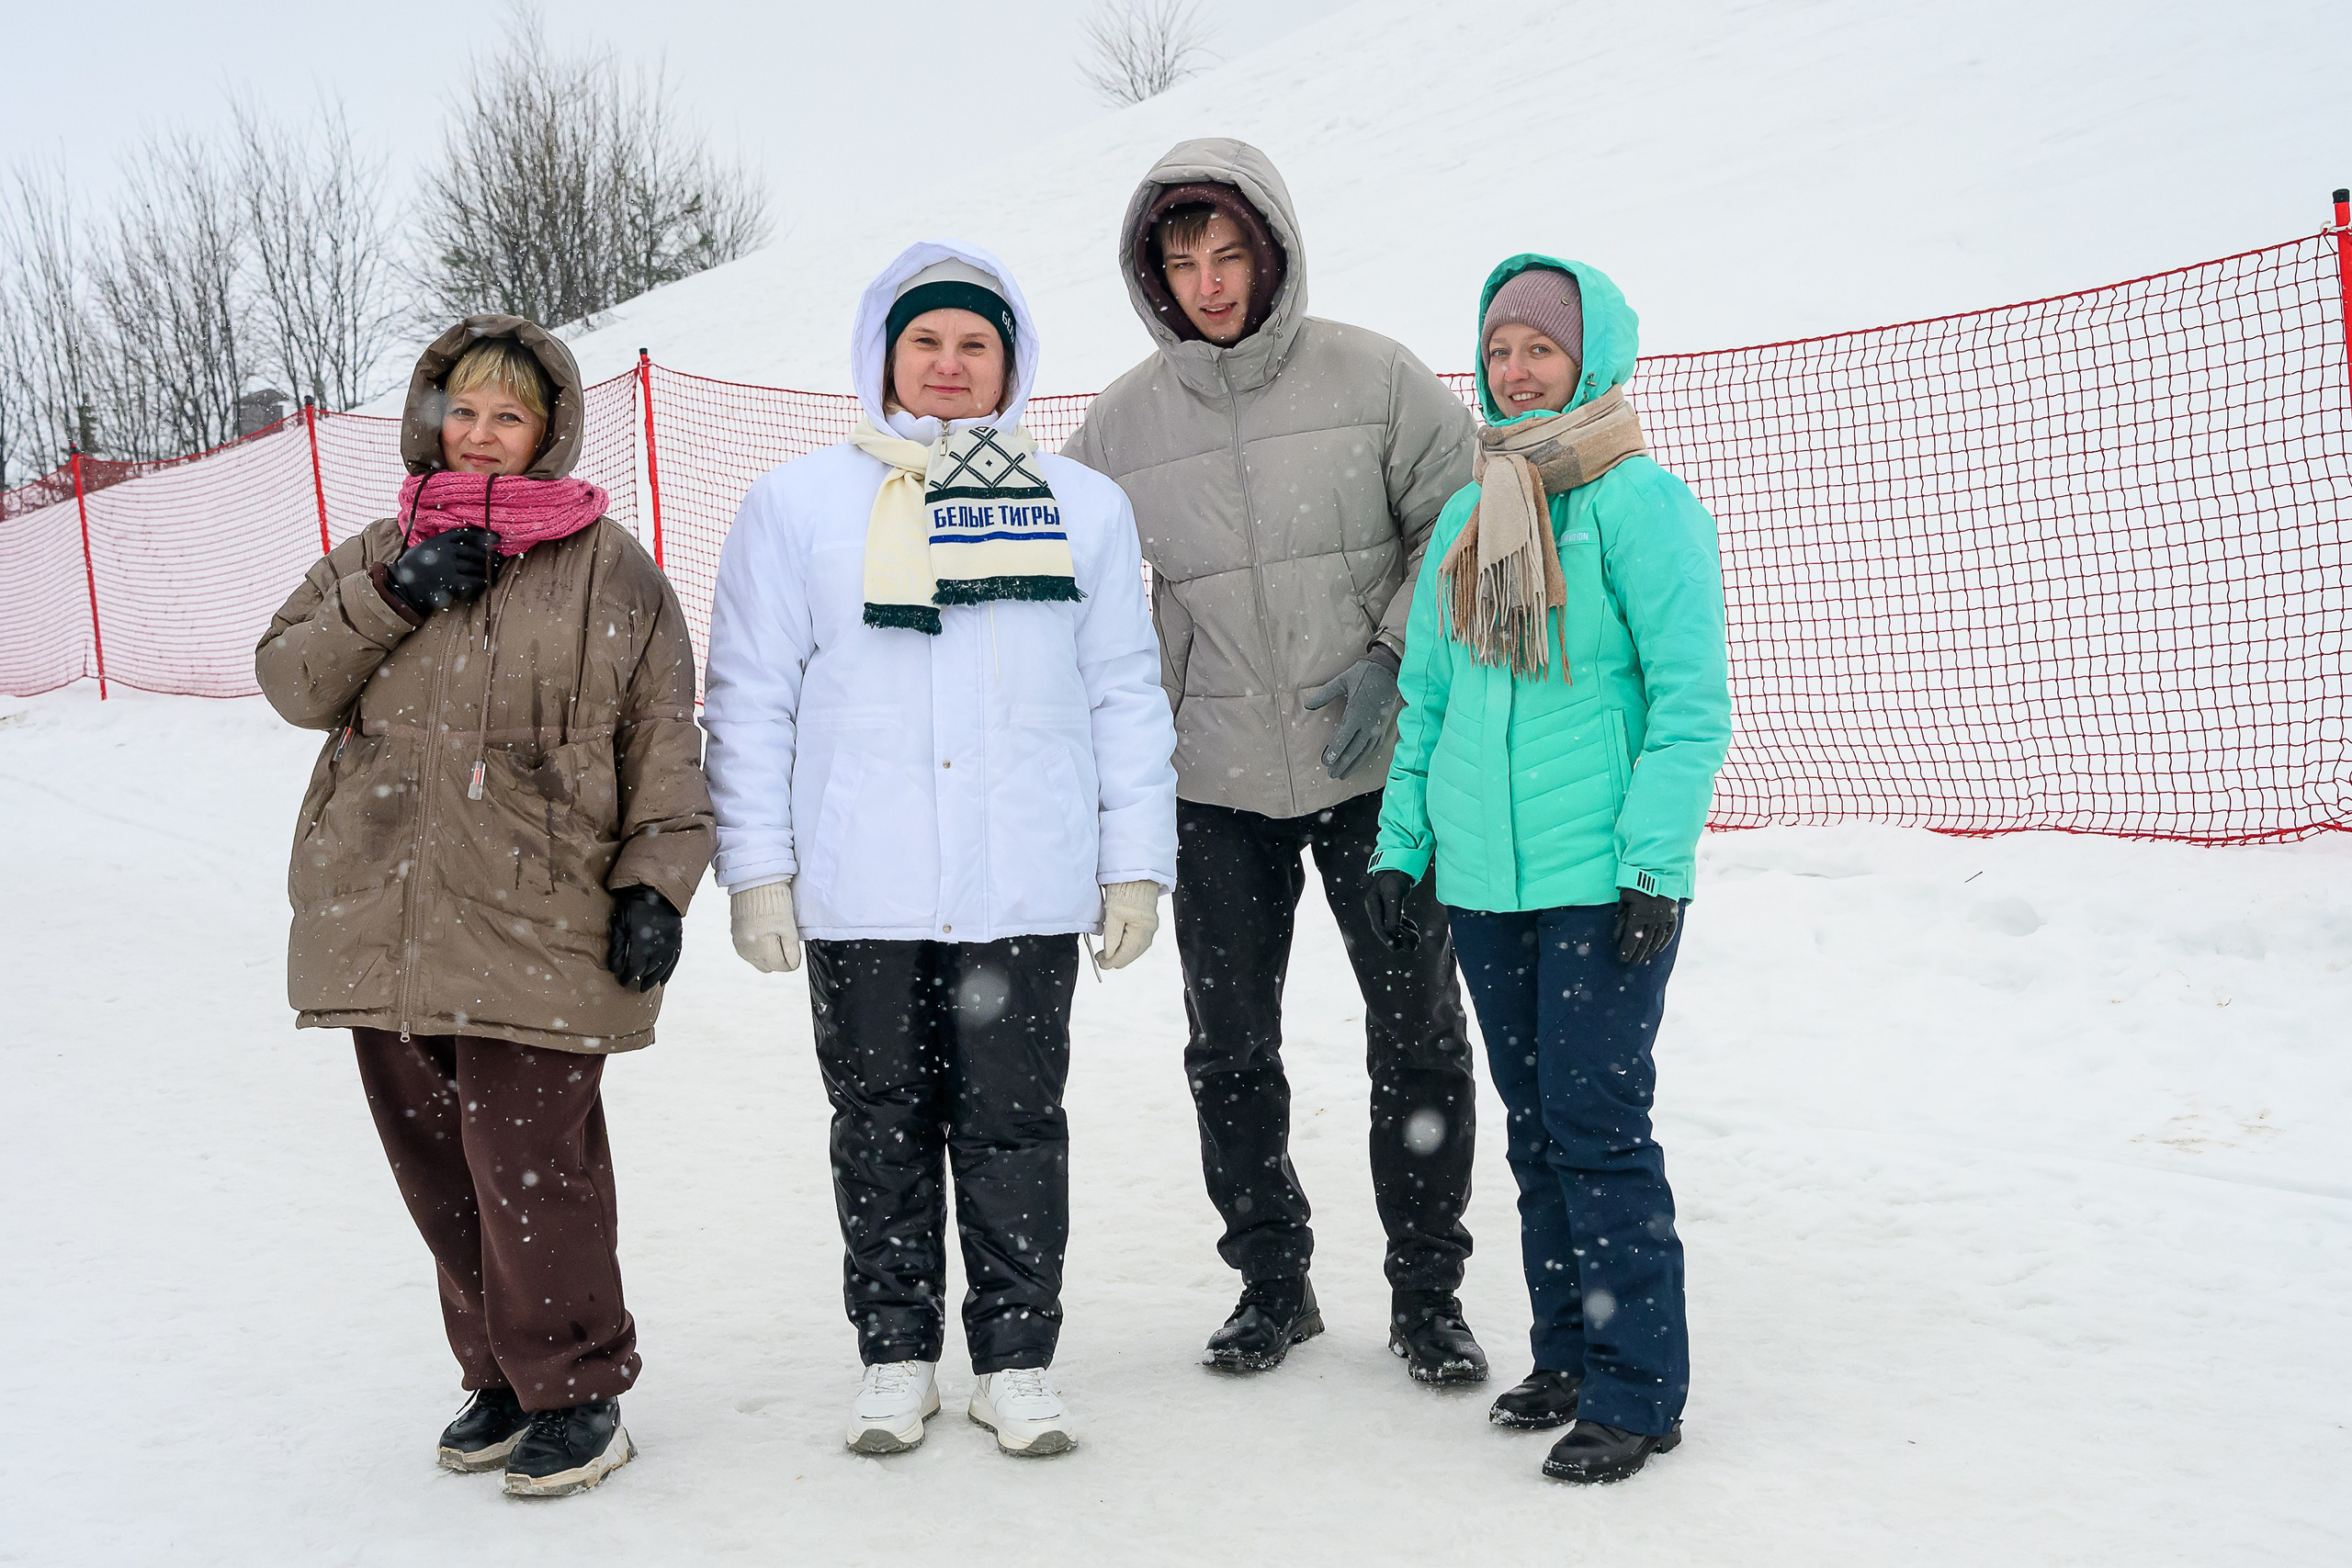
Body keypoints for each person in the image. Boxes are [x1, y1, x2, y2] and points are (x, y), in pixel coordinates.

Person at [703, 240, 1177, 1460]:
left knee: (1016, 1122)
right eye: (928, 342)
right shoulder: (798, 505)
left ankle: (1015, 1358)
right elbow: (749, 695)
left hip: (1022, 875)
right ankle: (896, 1351)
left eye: (975, 343)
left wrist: (1137, 859)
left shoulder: (1083, 508)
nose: (951, 365)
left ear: (1010, 362)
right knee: (880, 1120)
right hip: (865, 883)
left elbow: (1123, 688)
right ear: (884, 356)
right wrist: (758, 867)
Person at [254, 316, 714, 1497]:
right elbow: (291, 680)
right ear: (430, 419)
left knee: (528, 1156)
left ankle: (579, 1387)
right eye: (462, 412)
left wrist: (656, 882)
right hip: (385, 907)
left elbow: (662, 738)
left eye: (507, 417)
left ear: (548, 431)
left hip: (539, 914)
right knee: (436, 1163)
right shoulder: (377, 550)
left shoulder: (611, 570)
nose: (481, 437)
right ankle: (504, 1376)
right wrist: (393, 595)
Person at [1062, 139, 1485, 1383]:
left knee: (1417, 1036)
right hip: (1216, 785)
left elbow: (1461, 516)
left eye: (1228, 251)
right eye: (1183, 258)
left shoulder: (1378, 376)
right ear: (1156, 272)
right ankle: (1272, 1280)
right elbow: (1066, 584)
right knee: (1230, 1044)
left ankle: (1427, 1293)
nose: (1209, 278)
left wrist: (1395, 657)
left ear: (1271, 247)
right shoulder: (1123, 425)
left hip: (1377, 774)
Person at [1365, 256, 1732, 1484]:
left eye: (1540, 348)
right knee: (1534, 1129)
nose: (1516, 370)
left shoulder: (1641, 503)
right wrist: (1404, 841)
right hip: (1486, 883)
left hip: (1598, 878)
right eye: (1500, 349)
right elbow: (1428, 697)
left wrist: (1654, 863)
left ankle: (1639, 1388)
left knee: (1596, 1124)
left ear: (1592, 357)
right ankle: (1570, 1352)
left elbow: (1689, 704)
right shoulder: (1475, 511)